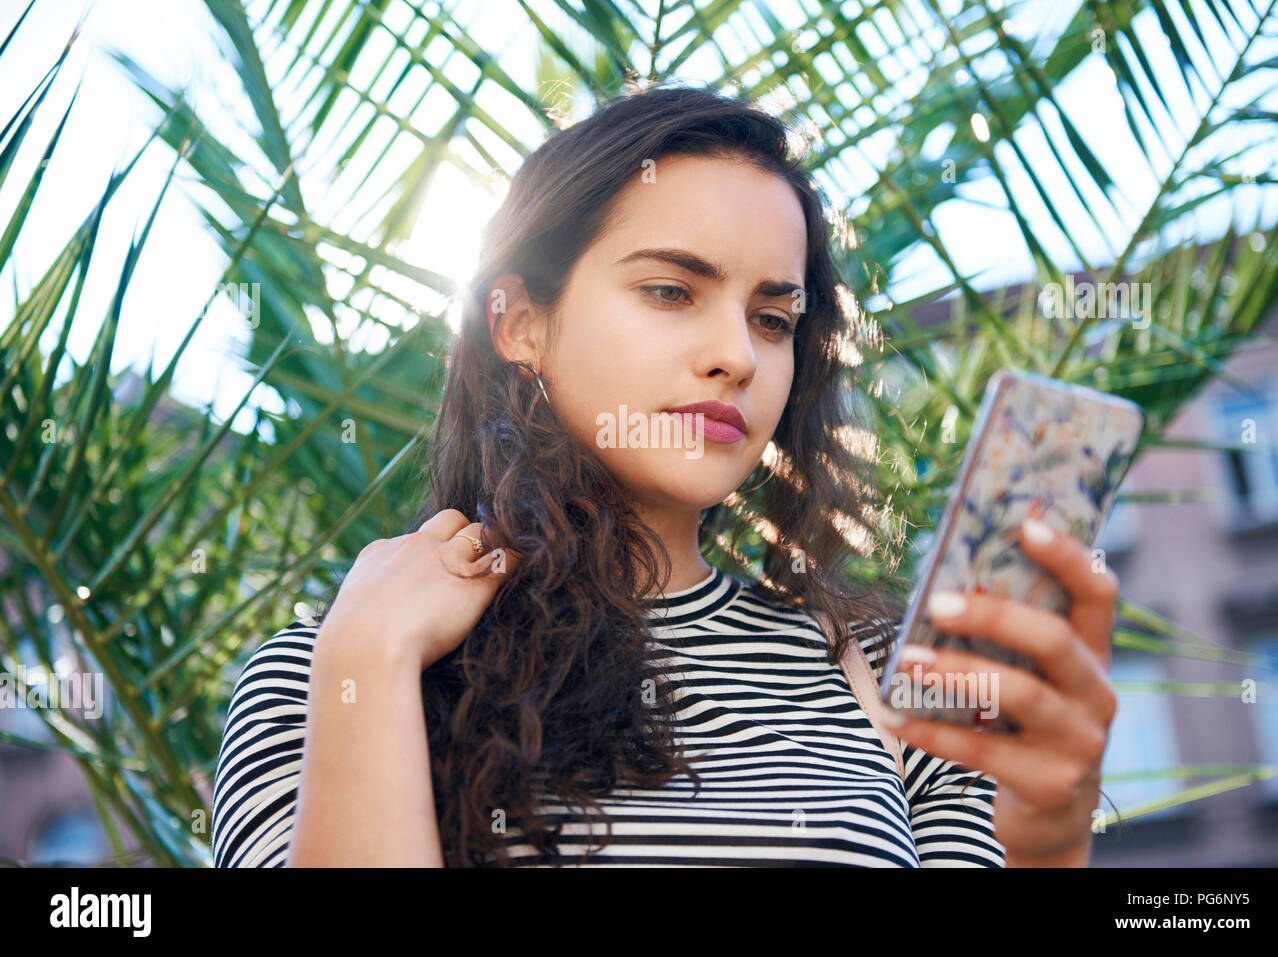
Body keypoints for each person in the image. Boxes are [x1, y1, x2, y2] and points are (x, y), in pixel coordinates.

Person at [211, 81, 1119, 868]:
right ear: (521, 322)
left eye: (773, 317)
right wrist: (370, 656)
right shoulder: (326, 668)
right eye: (671, 292)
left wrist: (1049, 838)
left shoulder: (880, 674)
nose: (736, 355)